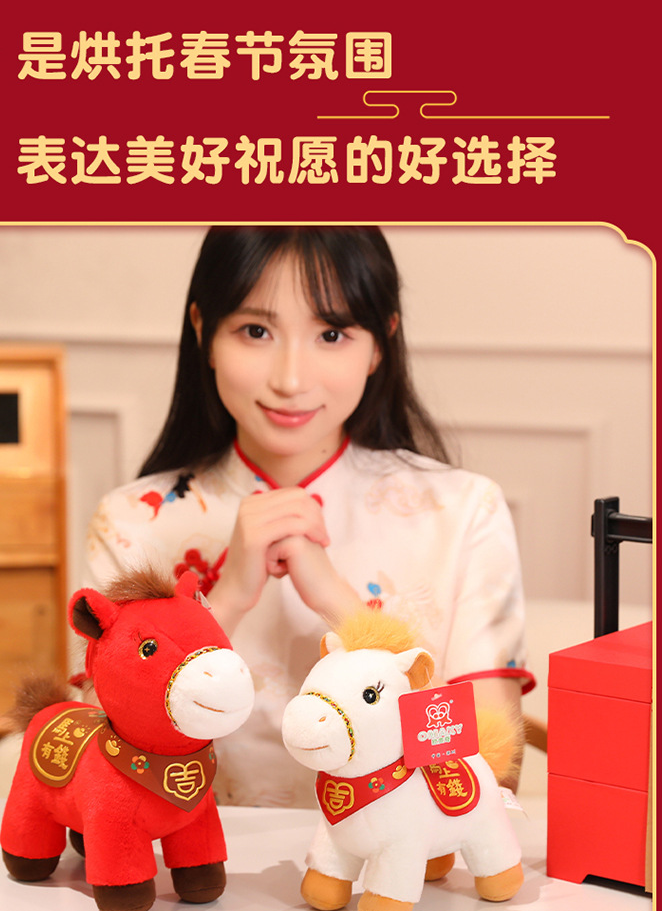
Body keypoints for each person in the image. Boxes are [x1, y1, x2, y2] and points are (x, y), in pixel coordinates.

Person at [83, 226, 534, 809]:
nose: (290, 380)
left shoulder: (465, 511)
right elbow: (102, 771)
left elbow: (491, 775)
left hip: (401, 862)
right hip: (193, 859)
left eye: (332, 334)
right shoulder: (130, 521)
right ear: (203, 332)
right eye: (255, 331)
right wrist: (227, 600)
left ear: (380, 342)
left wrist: (340, 604)